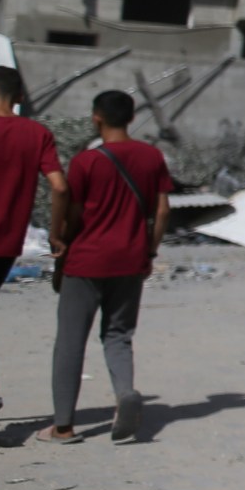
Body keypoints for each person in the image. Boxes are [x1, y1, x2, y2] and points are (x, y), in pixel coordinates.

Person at [40, 90, 171, 444]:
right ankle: (125, 391)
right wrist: (150, 252)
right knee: (118, 335)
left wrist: (60, 243)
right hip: (130, 260)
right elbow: (161, 211)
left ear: (96, 117)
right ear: (130, 118)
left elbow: (74, 213)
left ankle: (64, 427)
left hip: (86, 261)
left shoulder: (87, 161)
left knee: (70, 340)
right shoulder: (152, 157)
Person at [0, 66, 64, 431]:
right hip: (5, 245)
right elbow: (59, 186)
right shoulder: (37, 134)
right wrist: (57, 235)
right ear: (21, 98)